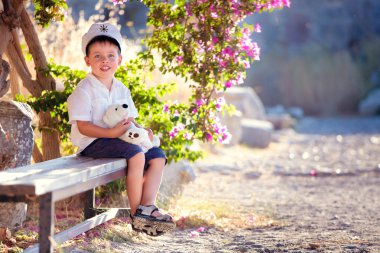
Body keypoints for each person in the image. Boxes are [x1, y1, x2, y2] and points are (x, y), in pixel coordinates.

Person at [67, 23, 175, 236]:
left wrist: (143, 132)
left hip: (119, 140)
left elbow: (130, 121)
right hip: (93, 143)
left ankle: (147, 206)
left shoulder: (121, 89)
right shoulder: (84, 89)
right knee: (135, 154)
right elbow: (83, 127)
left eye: (110, 55)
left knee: (157, 156)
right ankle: (137, 215)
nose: (104, 61)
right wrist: (112, 133)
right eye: (97, 56)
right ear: (87, 61)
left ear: (119, 60)